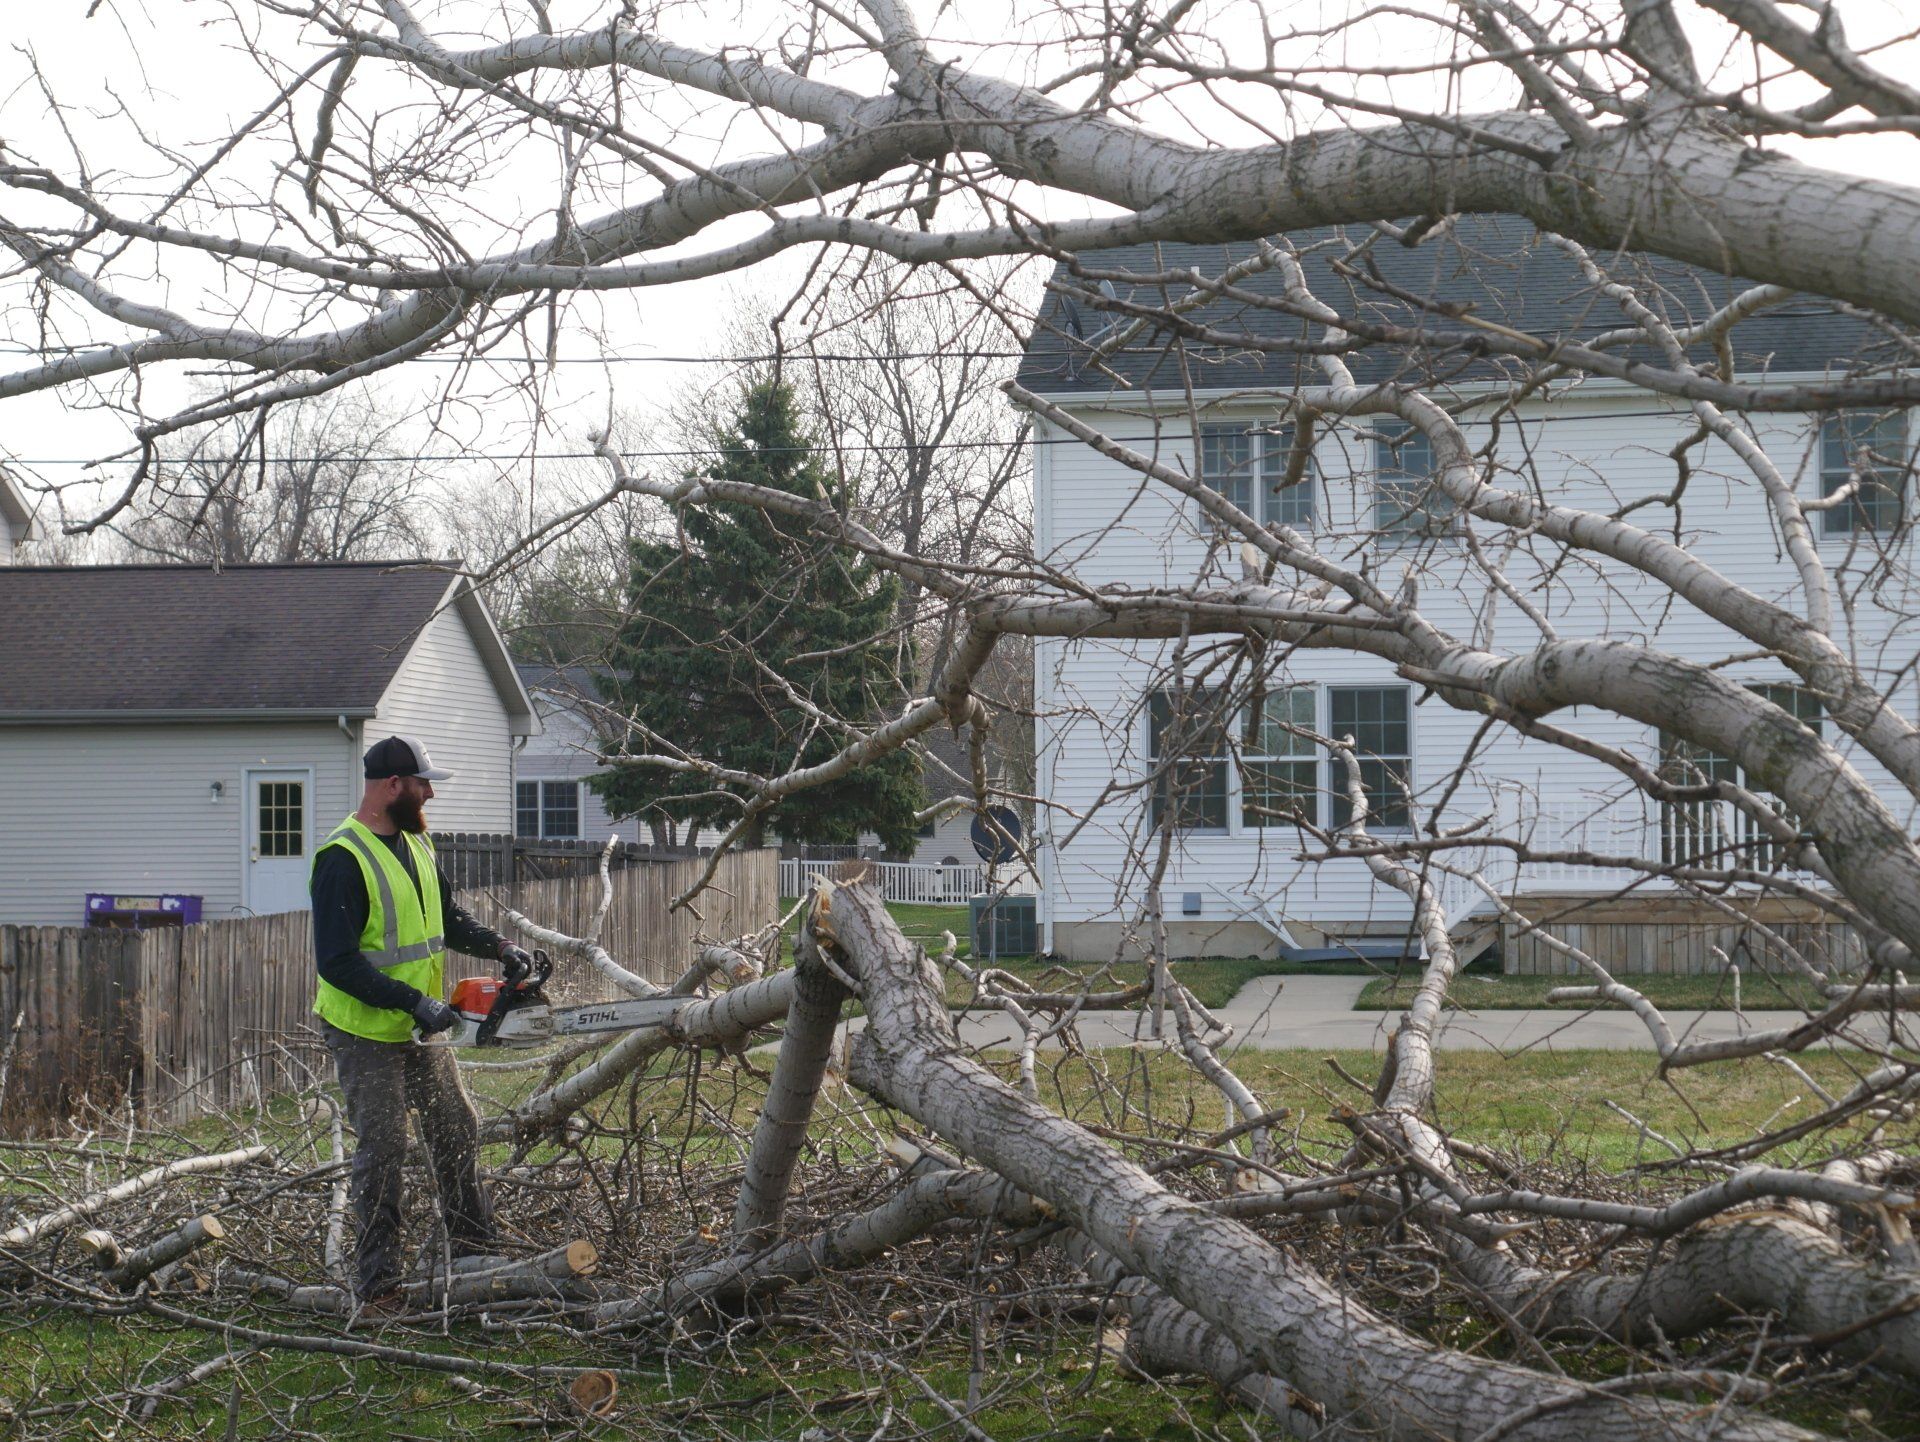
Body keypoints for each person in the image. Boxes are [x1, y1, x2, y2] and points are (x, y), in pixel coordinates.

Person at [309, 735, 536, 1310]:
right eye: (422, 782)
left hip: (419, 1024)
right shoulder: (343, 858)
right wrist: (413, 1002)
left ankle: (472, 1248)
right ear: (392, 786)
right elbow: (336, 962)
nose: (430, 792)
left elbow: (448, 919)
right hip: (366, 1031)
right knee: (384, 1146)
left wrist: (500, 947)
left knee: (456, 1126)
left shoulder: (415, 843)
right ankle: (377, 1281)